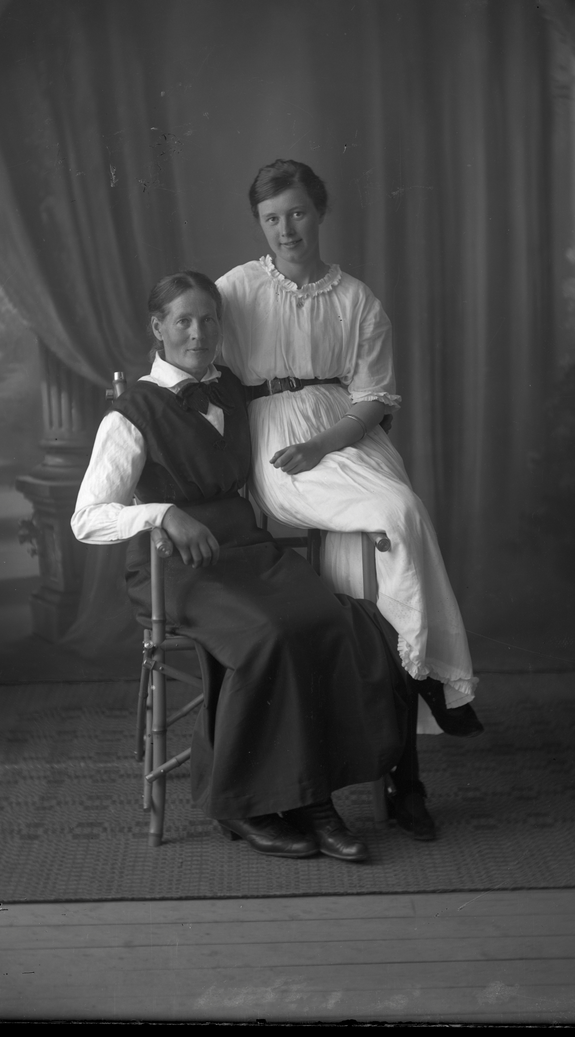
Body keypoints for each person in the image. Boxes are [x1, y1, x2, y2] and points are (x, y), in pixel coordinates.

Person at [71, 270, 409, 863]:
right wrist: (164, 514)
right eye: (183, 320)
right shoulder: (131, 413)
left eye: (209, 319)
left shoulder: (231, 388)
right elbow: (87, 518)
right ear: (158, 328)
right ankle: (247, 804)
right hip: (174, 567)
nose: (198, 333)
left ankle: (312, 799)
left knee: (331, 619)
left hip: (248, 550)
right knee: (270, 635)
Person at [216, 160, 483, 843]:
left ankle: (408, 752)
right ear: (259, 224)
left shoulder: (356, 299)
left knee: (396, 525)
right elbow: (194, 364)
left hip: (346, 438)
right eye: (272, 218)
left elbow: (372, 401)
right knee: (399, 515)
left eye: (297, 213)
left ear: (319, 212)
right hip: (277, 445)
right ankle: (435, 678)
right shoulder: (237, 290)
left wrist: (324, 444)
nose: (286, 229)